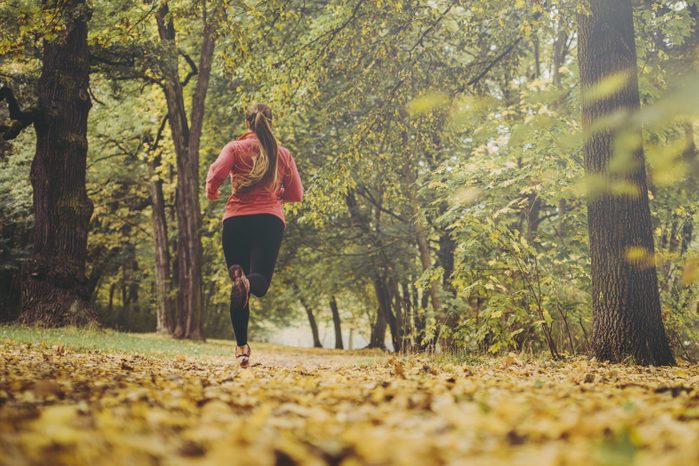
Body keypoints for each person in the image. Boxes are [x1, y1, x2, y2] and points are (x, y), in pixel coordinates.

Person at [205, 103, 303, 368]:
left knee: (238, 286)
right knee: (254, 284)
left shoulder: (234, 148)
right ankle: (247, 284)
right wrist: (278, 194)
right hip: (268, 222)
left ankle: (241, 349)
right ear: (270, 124)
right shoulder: (282, 154)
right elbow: (296, 195)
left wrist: (212, 189)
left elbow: (216, 173)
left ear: (247, 124)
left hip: (235, 221)